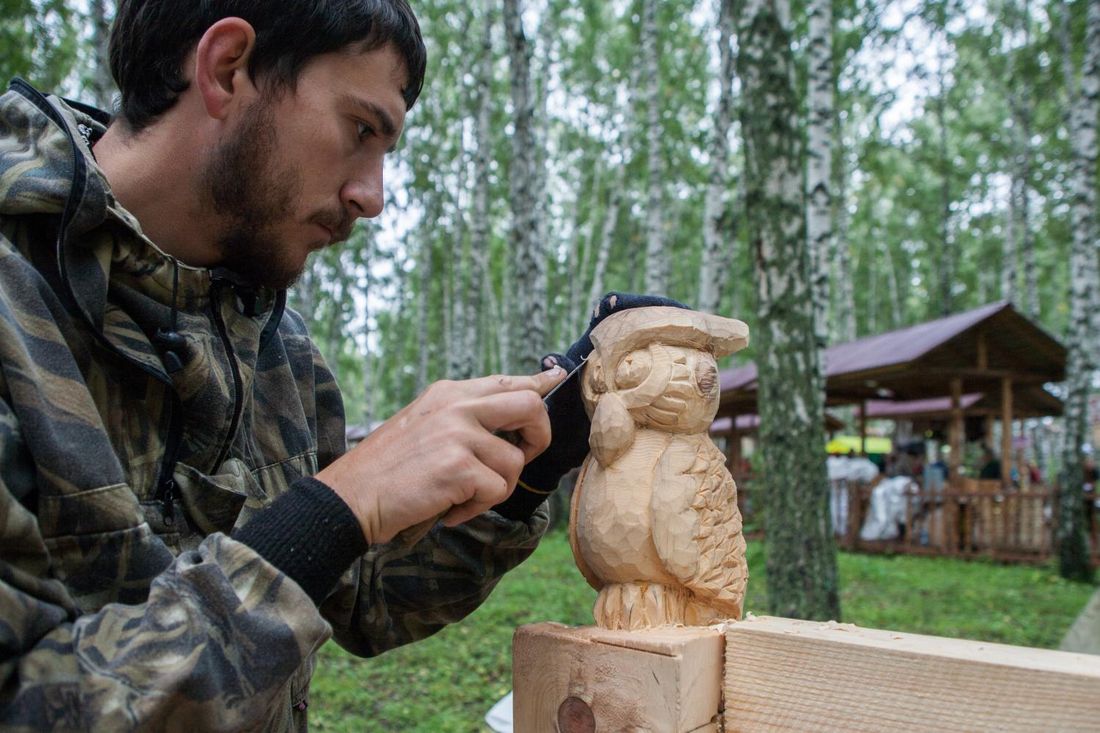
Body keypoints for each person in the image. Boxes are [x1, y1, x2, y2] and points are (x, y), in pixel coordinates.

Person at [0, 2, 682, 728]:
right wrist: (339, 503)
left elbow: (360, 595)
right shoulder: (19, 304)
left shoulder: (274, 347)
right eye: (360, 130)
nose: (372, 197)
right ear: (227, 68)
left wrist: (539, 452)